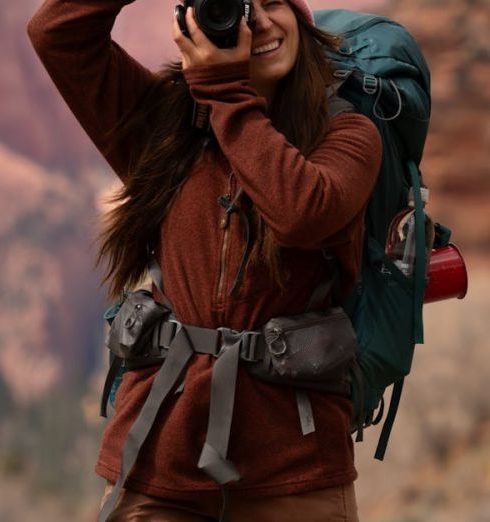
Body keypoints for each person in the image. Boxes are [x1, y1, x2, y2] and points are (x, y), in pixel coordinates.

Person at [28, 0, 382, 520]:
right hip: (160, 459)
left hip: (294, 469)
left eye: (273, 3)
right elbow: (56, 32)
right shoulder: (163, 128)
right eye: (239, 7)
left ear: (301, 18)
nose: (259, 22)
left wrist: (224, 94)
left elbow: (301, 212)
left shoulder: (348, 136)